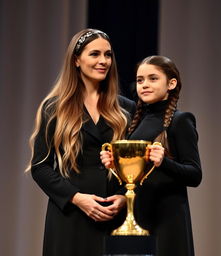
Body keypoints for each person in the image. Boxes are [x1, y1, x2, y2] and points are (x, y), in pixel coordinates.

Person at [25, 28, 136, 256]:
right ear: (76, 60)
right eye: (95, 54)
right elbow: (40, 167)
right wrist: (77, 198)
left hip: (113, 216)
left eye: (108, 55)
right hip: (69, 218)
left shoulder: (126, 108)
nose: (103, 61)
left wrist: (125, 198)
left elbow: (137, 165)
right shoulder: (55, 108)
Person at [101, 55, 202, 256]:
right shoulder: (135, 122)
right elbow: (136, 177)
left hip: (168, 218)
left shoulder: (180, 121)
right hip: (138, 214)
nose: (144, 85)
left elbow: (195, 175)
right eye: (140, 80)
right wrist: (115, 165)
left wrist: (163, 162)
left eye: (153, 78)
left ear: (171, 83)